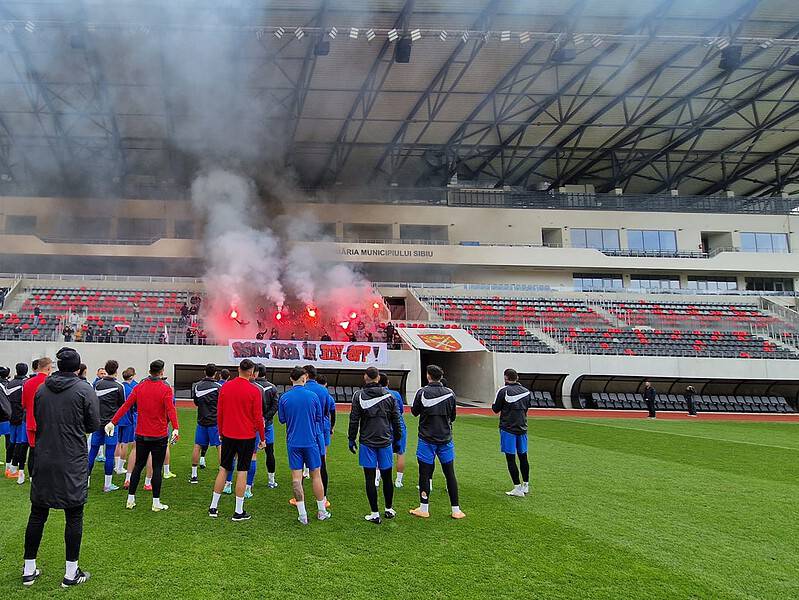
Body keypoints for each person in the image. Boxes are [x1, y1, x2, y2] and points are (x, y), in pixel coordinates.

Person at [22, 347, 98, 588]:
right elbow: (93, 423)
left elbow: (39, 417)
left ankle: (29, 568)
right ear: (77, 367)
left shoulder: (43, 389)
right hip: (71, 458)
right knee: (74, 515)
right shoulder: (84, 389)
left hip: (44, 456)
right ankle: (70, 573)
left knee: (37, 514)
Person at [107, 360, 179, 512]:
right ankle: (156, 502)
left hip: (141, 434)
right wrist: (176, 428)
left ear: (150, 371)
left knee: (138, 466)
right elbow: (171, 410)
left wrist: (113, 422)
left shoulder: (140, 386)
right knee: (157, 468)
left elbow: (126, 405)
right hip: (158, 435)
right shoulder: (165, 388)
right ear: (161, 372)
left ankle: (130, 499)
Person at [207, 359, 264, 522]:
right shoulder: (254, 391)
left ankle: (213, 507)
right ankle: (238, 511)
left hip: (228, 435)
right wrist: (263, 437)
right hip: (246, 436)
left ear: (238, 369)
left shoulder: (226, 387)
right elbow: (258, 417)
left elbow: (220, 412)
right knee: (242, 471)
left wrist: (220, 431)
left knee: (223, 469)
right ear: (251, 372)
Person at [410, 365, 465, 520]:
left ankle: (424, 508)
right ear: (440, 377)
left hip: (426, 439)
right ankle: (456, 510)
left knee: (425, 473)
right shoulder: (450, 393)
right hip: (445, 439)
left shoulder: (422, 392)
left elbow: (414, 412)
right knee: (450, 474)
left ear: (428, 376)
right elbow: (453, 416)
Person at [348, 367, 402, 524]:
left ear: (365, 377)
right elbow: (396, 420)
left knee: (370, 478)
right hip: (385, 441)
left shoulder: (358, 396)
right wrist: (397, 440)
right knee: (386, 477)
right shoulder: (390, 396)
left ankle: (374, 513)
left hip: (367, 442)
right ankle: (389, 509)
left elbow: (354, 419)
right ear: (378, 378)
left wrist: (351, 439)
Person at [278, 366, 331, 525]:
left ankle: (302, 514)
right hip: (311, 441)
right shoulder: (313, 396)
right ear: (304, 378)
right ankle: (321, 511)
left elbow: (282, 419)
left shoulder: (285, 398)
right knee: (316, 475)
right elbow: (319, 418)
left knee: (296, 477)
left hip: (293, 442)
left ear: (291, 379)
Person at [492, 369, 532, 497]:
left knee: (510, 458)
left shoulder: (503, 391)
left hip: (508, 428)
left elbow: (495, 409)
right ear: (517, 377)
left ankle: (517, 488)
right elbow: (527, 407)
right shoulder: (526, 391)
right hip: (522, 427)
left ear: (505, 377)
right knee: (523, 457)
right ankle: (526, 485)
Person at [89, 361, 126, 492]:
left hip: (97, 422)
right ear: (116, 370)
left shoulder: (97, 384)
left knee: (92, 452)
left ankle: (85, 482)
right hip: (111, 424)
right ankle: (107, 484)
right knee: (109, 454)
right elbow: (122, 405)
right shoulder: (118, 386)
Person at [303, 365, 335, 499]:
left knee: (299, 466)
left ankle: (299, 498)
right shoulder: (323, 391)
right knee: (322, 462)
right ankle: (324, 497)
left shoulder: (302, 389)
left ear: (306, 375)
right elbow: (327, 410)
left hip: (304, 430)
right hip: (319, 430)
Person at [22, 357, 52, 484]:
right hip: (47, 422)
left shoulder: (28, 383)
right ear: (49, 368)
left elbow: (23, 404)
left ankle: (31, 477)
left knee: (33, 450)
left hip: (31, 421)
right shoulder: (50, 382)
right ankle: (45, 476)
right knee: (48, 450)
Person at [190, 364, 221, 484]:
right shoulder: (218, 387)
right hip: (214, 422)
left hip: (201, 421)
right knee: (219, 446)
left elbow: (196, 402)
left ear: (204, 372)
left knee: (197, 446)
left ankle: (194, 475)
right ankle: (223, 472)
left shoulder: (197, 386)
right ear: (215, 373)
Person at [252, 364, 279, 489]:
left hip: (253, 425)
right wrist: (266, 418)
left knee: (251, 453)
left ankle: (249, 482)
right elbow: (275, 406)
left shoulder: (251, 386)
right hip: (267, 425)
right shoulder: (272, 387)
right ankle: (271, 480)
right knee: (270, 452)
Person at [379, 373, 406, 488]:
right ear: (388, 382)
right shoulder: (395, 394)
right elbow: (401, 410)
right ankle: (398, 481)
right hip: (398, 425)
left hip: (383, 426)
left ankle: (377, 478)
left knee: (381, 452)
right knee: (400, 453)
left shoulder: (376, 394)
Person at [115, 368, 138, 484]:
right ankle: (120, 467)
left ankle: (117, 465)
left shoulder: (119, 386)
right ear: (132, 376)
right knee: (125, 443)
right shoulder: (132, 388)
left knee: (117, 442)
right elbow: (135, 405)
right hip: (128, 418)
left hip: (118, 417)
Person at [7, 363, 29, 482]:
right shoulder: (25, 384)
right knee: (20, 444)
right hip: (21, 417)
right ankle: (16, 469)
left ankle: (9, 466)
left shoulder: (10, 383)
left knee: (12, 442)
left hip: (11, 416)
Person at [0, 366, 12, 471]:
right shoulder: (9, 384)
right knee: (9, 440)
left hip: (3, 416)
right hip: (7, 416)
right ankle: (9, 461)